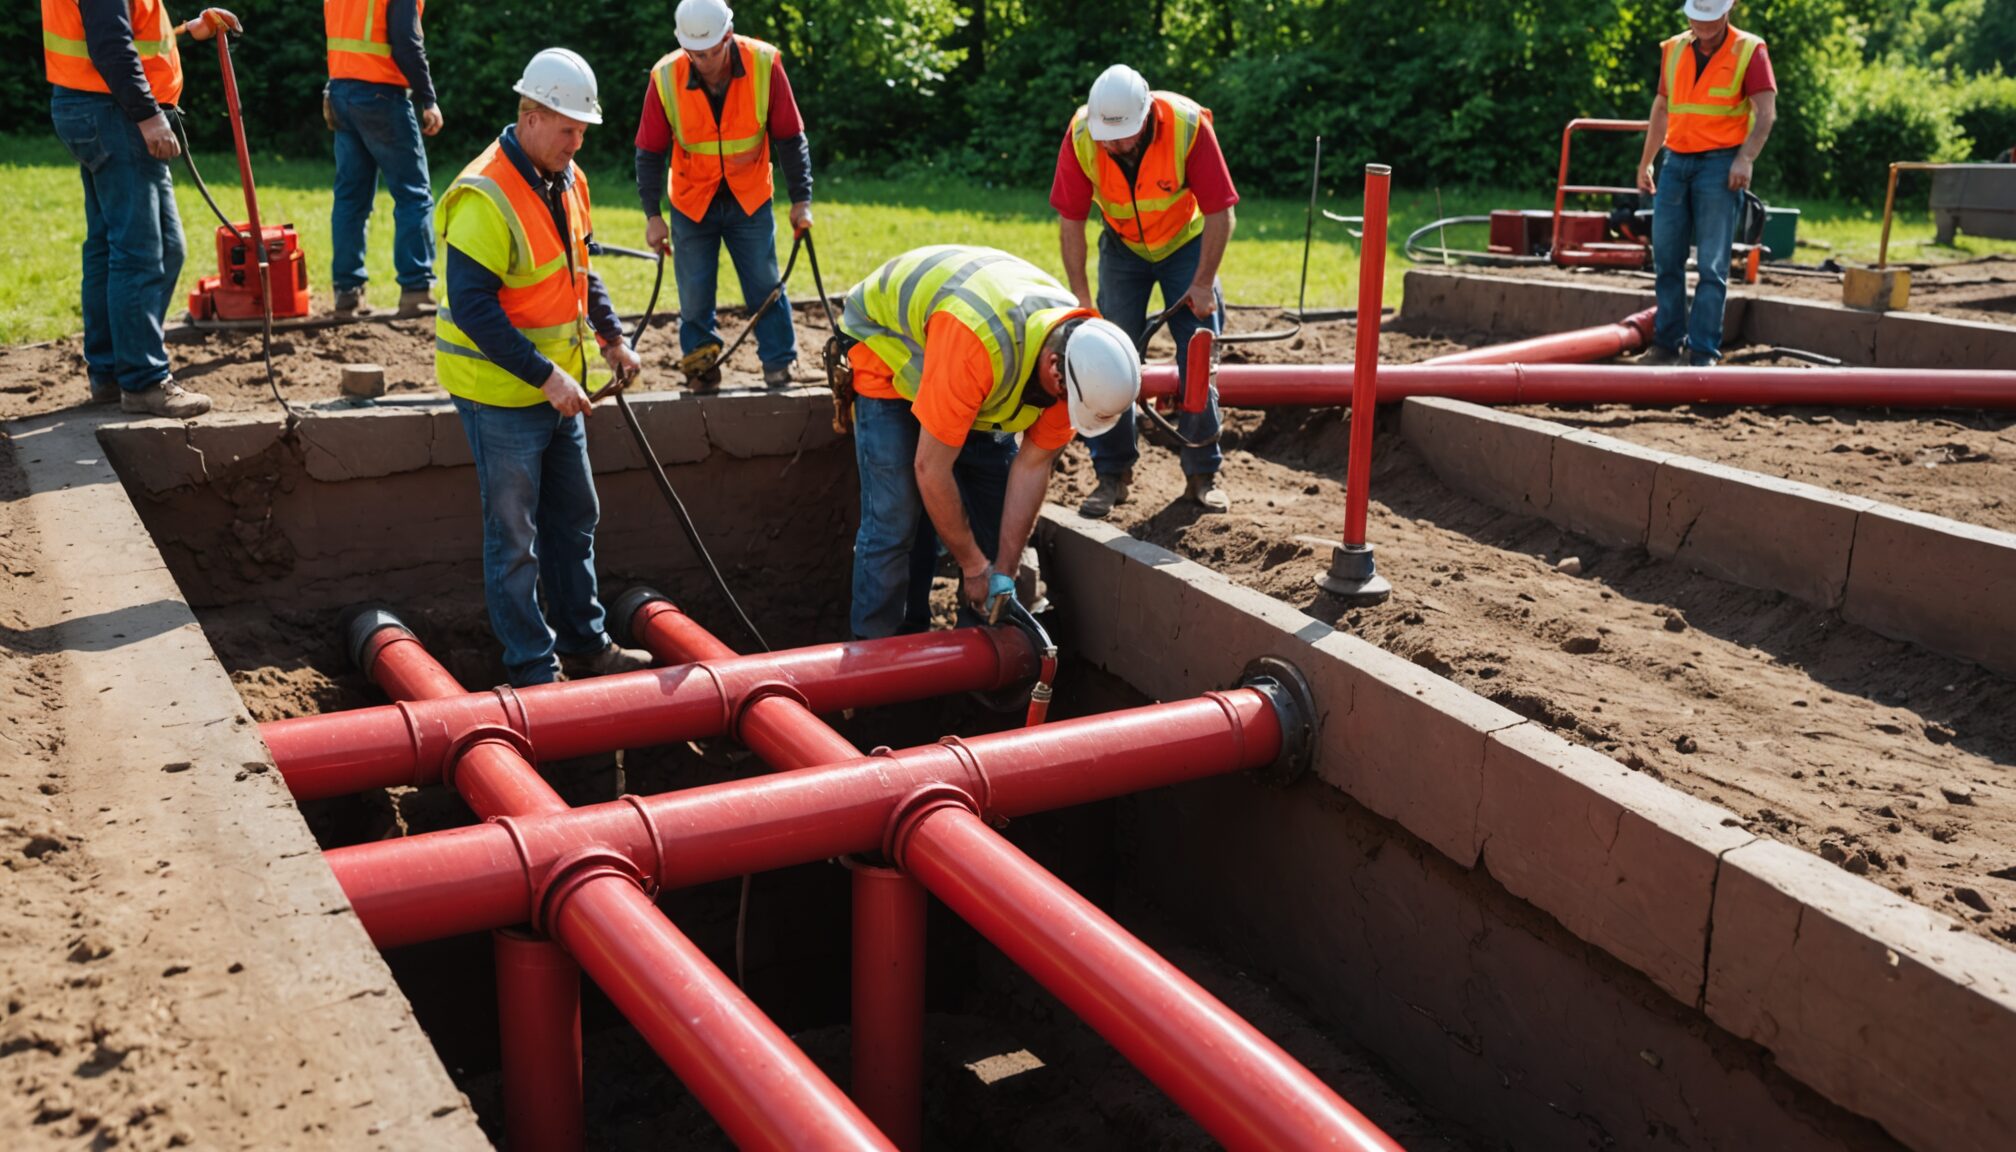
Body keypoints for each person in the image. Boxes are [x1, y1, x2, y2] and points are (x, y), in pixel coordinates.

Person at [435, 49, 651, 687]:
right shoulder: (484, 193)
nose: (576, 140)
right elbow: (474, 308)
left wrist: (610, 336)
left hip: (559, 390)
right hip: (502, 396)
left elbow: (578, 269)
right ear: (530, 116)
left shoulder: (568, 178)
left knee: (576, 518)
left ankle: (585, 644)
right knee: (514, 537)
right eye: (567, 128)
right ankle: (532, 666)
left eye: (582, 129)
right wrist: (546, 377)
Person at [838, 245, 1141, 639]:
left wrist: (1003, 569)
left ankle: (978, 657)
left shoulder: (1081, 363)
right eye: (1069, 403)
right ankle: (875, 664)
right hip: (889, 349)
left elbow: (1032, 466)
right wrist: (973, 565)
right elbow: (931, 468)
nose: (1068, 414)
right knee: (895, 521)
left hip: (972, 373)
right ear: (1053, 370)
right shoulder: (982, 345)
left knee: (996, 528)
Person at [1052, 63, 1239, 517]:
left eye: (1123, 136)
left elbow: (1220, 213)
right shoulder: (1082, 135)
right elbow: (1070, 222)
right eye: (1107, 138)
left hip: (1185, 246)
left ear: (1146, 116)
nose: (1114, 146)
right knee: (1105, 356)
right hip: (1123, 248)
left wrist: (1201, 283)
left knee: (1196, 352)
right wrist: (1082, 300)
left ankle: (1201, 475)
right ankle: (1112, 477)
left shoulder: (1187, 126)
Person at [43, 1, 241, 418]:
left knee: (111, 247)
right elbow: (111, 43)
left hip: (94, 107)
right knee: (146, 252)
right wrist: (149, 116)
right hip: (114, 114)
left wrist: (189, 28)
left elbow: (125, 32)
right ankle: (143, 381)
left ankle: (112, 371)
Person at [636, 0, 813, 390]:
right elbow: (649, 151)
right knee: (695, 295)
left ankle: (780, 365)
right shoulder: (665, 76)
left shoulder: (765, 64)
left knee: (764, 285)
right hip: (691, 202)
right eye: (694, 53)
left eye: (710, 52)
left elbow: (789, 135)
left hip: (749, 197)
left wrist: (802, 199)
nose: (703, 61)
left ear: (728, 37)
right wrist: (652, 215)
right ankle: (701, 370)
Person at [1635, 0, 1777, 366]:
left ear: (1727, 12)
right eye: (1697, 19)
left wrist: (1745, 159)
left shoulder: (1750, 49)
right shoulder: (1674, 49)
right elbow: (1662, 108)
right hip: (1676, 162)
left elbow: (1766, 113)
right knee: (1666, 257)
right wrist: (1646, 162)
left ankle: (1702, 352)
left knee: (1712, 264)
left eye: (1711, 20)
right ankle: (1667, 344)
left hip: (1720, 165)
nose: (1704, 27)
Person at [324, 0, 441, 317]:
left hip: (340, 91)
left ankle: (347, 293)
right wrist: (428, 98)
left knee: (350, 198)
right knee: (413, 194)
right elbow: (406, 42)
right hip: (381, 95)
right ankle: (416, 290)